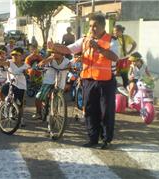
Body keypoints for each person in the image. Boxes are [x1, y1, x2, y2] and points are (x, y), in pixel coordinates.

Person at [48, 13, 119, 149]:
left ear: (103, 27)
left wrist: (98, 48)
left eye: (95, 26)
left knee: (106, 112)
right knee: (90, 111)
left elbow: (115, 57)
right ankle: (93, 139)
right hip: (88, 81)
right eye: (90, 26)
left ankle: (106, 139)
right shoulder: (85, 40)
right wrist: (54, 46)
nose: (92, 29)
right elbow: (69, 49)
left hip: (106, 82)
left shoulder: (112, 40)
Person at [32, 48, 70, 119]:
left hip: (60, 82)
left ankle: (55, 114)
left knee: (57, 100)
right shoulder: (50, 59)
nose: (54, 54)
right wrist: (49, 59)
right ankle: (38, 113)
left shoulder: (66, 61)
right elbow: (41, 64)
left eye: (56, 52)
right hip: (48, 81)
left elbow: (70, 66)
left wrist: (69, 68)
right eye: (53, 52)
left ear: (62, 54)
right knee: (38, 97)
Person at [0, 47, 30, 126]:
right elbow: (0, 64)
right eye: (13, 55)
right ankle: (3, 103)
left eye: (17, 55)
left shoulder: (25, 66)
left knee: (20, 104)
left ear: (22, 56)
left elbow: (29, 72)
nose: (14, 56)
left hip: (21, 86)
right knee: (0, 90)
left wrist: (27, 72)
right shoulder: (9, 62)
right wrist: (0, 62)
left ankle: (21, 119)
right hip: (10, 83)